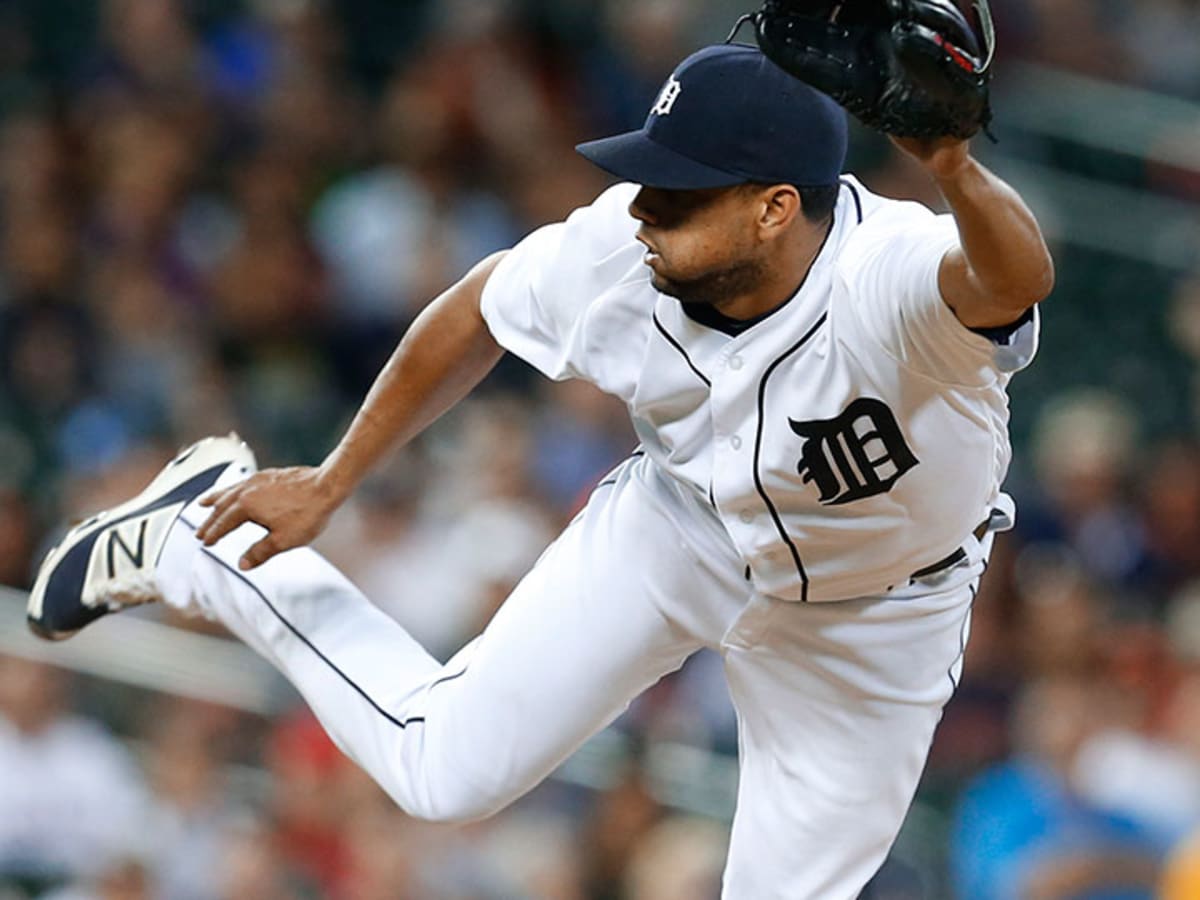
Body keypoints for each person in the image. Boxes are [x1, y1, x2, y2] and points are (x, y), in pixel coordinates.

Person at [28, 43, 1054, 898]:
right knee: (442, 770)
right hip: (681, 527)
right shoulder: (619, 249)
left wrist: (955, 163)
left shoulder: (890, 282)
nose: (643, 206)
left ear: (775, 207)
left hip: (874, 616)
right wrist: (333, 479)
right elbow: (474, 310)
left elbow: (1013, 275)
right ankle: (198, 549)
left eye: (679, 191)